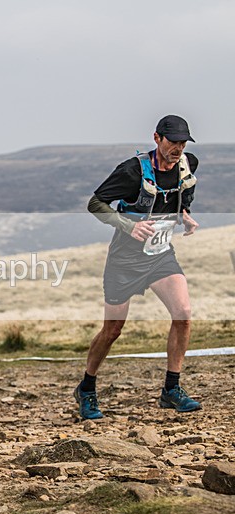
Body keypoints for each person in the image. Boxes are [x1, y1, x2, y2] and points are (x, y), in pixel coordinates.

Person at [75, 115, 201, 420]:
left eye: (183, 143)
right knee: (113, 329)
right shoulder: (132, 172)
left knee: (183, 314)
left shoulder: (188, 164)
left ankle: (171, 389)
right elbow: (95, 204)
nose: (178, 149)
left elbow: (184, 195)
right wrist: (127, 226)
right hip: (125, 259)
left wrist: (184, 214)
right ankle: (87, 388)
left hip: (159, 255)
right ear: (157, 138)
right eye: (173, 142)